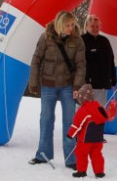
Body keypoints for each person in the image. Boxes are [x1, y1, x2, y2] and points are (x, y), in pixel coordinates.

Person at [28, 11, 86, 168]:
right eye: (67, 25)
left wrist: (76, 87)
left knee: (70, 122)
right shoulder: (45, 37)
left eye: (72, 24)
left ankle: (71, 159)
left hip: (68, 86)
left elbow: (81, 66)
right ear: (60, 24)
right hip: (48, 86)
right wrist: (33, 82)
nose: (71, 28)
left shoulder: (78, 40)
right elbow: (36, 60)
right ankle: (42, 155)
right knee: (46, 120)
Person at [67, 84, 110, 178]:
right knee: (97, 155)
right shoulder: (99, 107)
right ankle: (99, 172)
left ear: (81, 98)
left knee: (81, 154)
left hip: (84, 140)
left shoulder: (82, 110)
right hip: (98, 139)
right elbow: (106, 117)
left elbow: (77, 125)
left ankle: (81, 171)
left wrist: (70, 135)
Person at [81, 14, 117, 106]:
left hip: (102, 85)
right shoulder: (81, 40)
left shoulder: (104, 41)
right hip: (86, 85)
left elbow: (111, 60)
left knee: (99, 113)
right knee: (85, 112)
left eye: (97, 26)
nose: (95, 28)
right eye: (92, 26)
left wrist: (113, 78)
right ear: (87, 26)